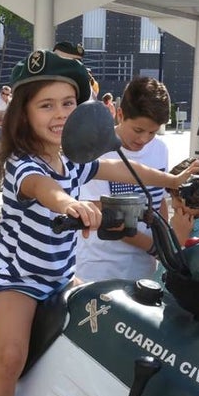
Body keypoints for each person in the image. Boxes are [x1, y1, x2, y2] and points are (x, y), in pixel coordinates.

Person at [0, 50, 199, 396]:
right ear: (24, 113)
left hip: (61, 277)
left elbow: (124, 172)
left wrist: (176, 183)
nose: (59, 115)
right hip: (17, 281)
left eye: (68, 103)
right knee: (10, 356)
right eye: (46, 105)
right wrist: (71, 207)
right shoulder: (23, 166)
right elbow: (45, 191)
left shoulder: (77, 158)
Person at [76, 76, 172, 282]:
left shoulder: (160, 150)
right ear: (120, 114)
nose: (144, 139)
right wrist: (155, 247)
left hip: (144, 268)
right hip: (100, 269)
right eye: (138, 130)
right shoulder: (97, 151)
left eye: (152, 132)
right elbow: (105, 216)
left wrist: (164, 242)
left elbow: (159, 201)